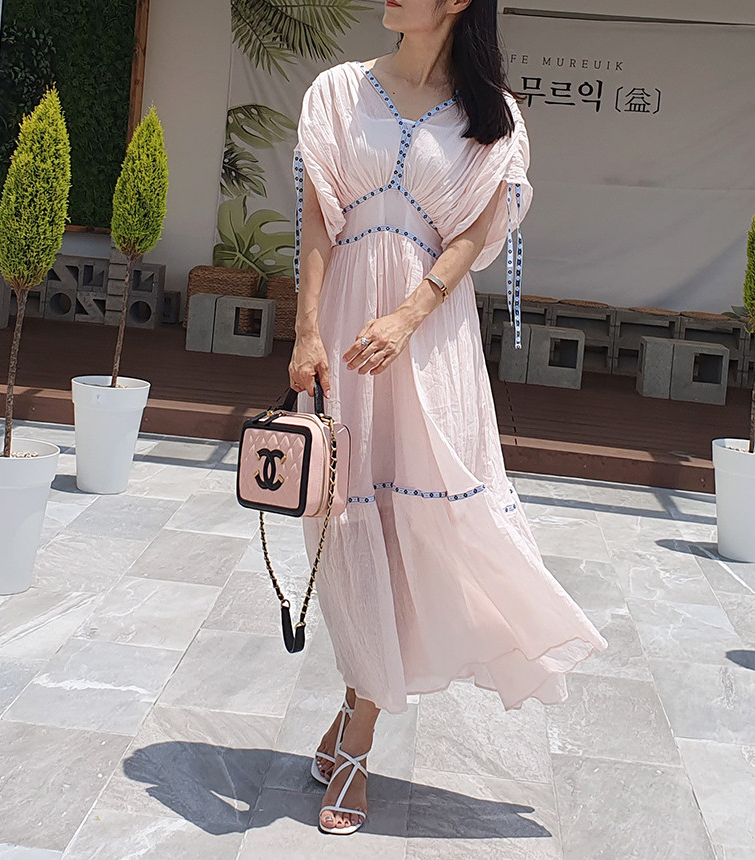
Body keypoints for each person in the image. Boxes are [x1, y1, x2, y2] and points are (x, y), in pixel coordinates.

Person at [287, 0, 609, 836]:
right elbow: (317, 217)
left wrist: (407, 316)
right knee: (344, 525)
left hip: (426, 342)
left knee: (415, 530)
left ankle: (357, 739)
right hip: (345, 332)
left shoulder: (492, 118)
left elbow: (471, 236)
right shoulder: (337, 92)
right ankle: (354, 711)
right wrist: (307, 331)